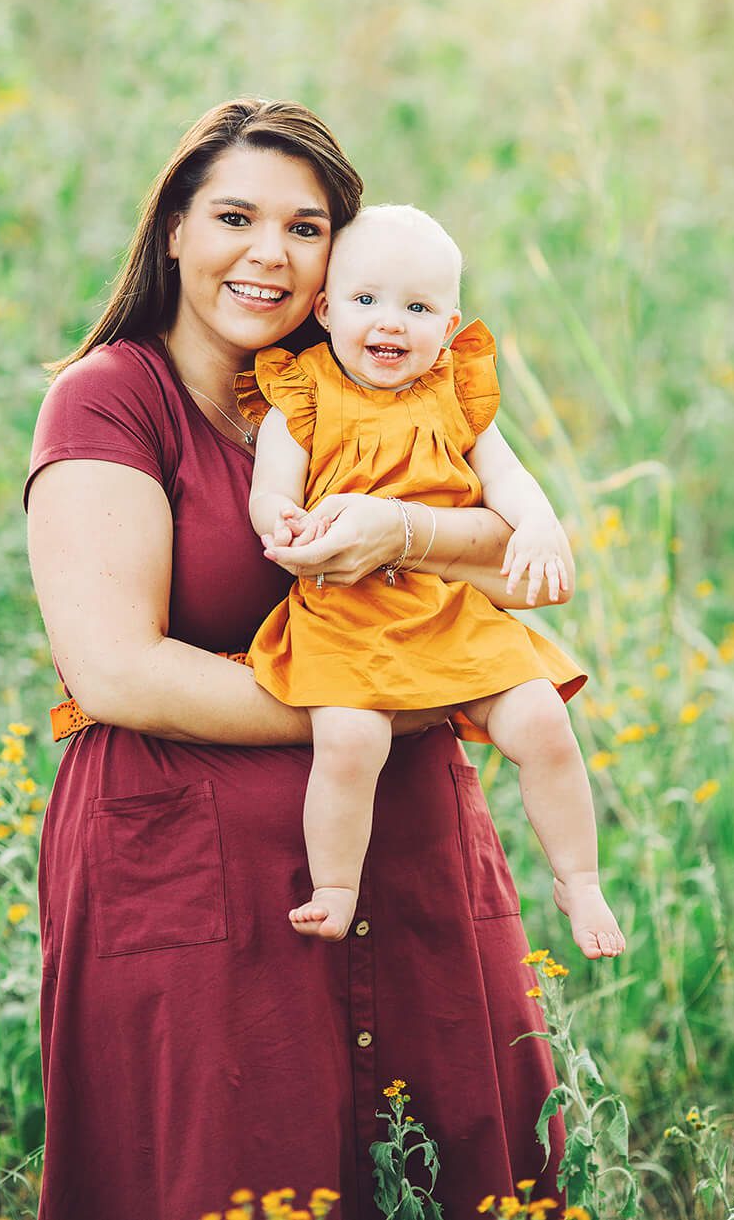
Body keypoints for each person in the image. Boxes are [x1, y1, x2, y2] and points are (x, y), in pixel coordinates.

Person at [25, 100, 564, 1217]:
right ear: (173, 227)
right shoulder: (109, 400)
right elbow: (118, 669)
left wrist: (410, 532)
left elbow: (531, 571)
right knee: (229, 1171)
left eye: (306, 227)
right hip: (188, 867)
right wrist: (395, 701)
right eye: (234, 216)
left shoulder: (387, 376)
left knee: (458, 1162)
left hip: (406, 851)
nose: (269, 254)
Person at [241, 202, 624, 956]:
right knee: (350, 739)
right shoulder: (305, 392)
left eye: (417, 308)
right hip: (344, 612)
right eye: (366, 301)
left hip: (446, 609)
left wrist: (542, 524)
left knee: (543, 717)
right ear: (324, 310)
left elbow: (509, 480)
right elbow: (271, 489)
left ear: (449, 327)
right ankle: (337, 886)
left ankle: (579, 879)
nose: (390, 323)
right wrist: (279, 521)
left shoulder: (455, 396)